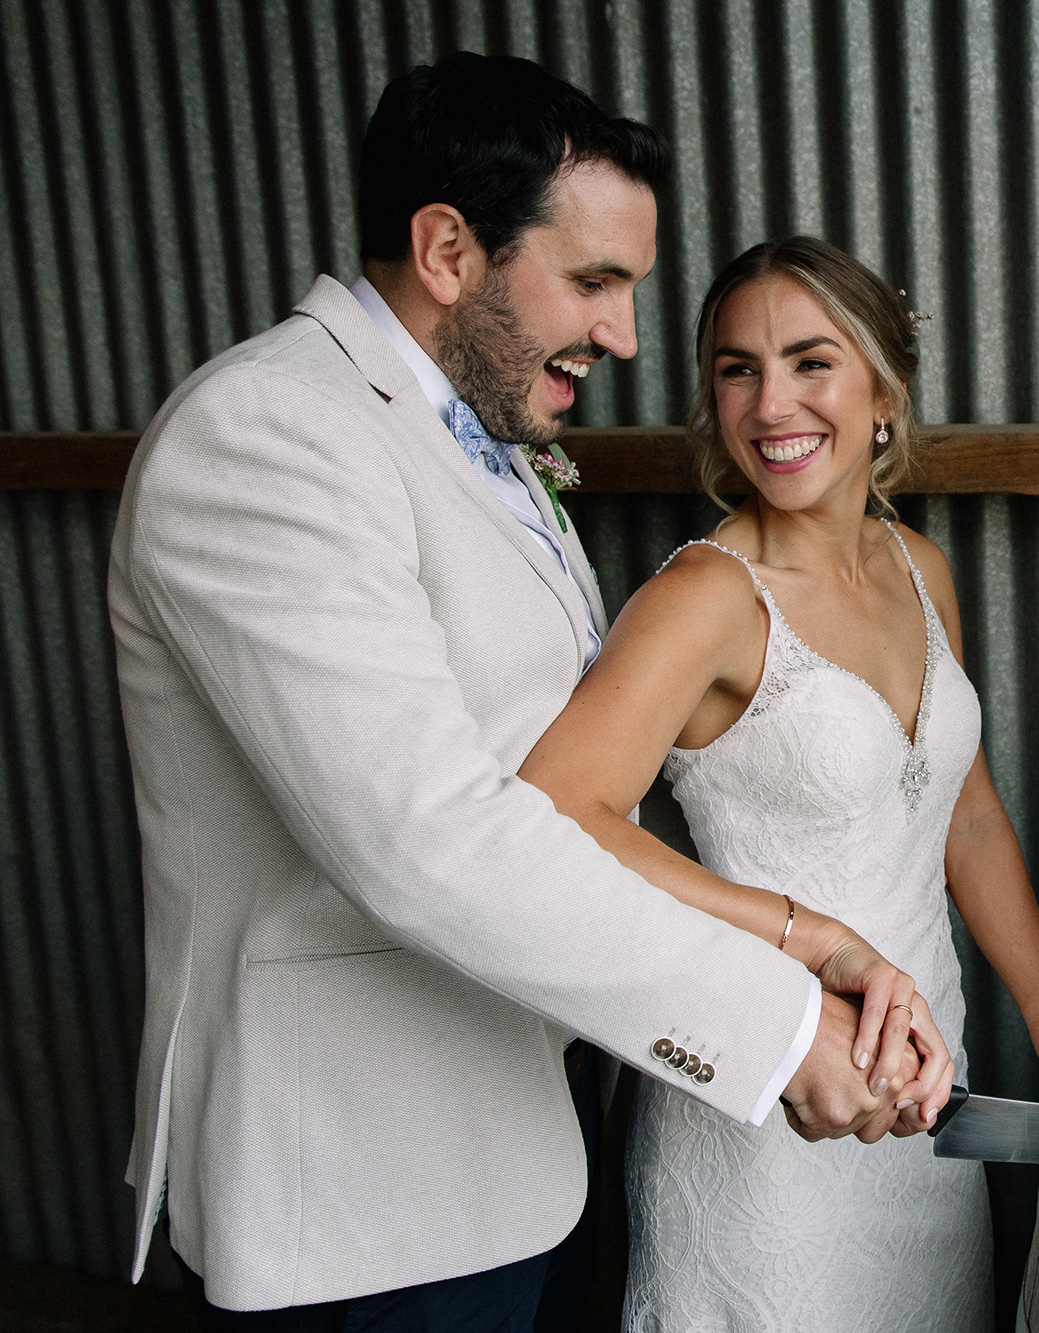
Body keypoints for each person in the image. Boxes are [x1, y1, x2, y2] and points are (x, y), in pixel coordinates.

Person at [108, 56, 948, 1331]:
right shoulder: (266, 436)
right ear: (447, 248)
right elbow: (433, 834)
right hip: (366, 1188)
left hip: (534, 1139)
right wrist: (777, 1019)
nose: (621, 334)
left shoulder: (478, 437)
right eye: (595, 283)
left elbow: (540, 786)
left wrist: (808, 932)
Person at [517, 236, 1039, 1332]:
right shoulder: (705, 597)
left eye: (810, 362)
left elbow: (963, 807)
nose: (771, 404)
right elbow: (550, 818)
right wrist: (797, 934)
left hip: (920, 1099)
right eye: (737, 368)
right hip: (770, 1117)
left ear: (881, 393)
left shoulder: (918, 565)